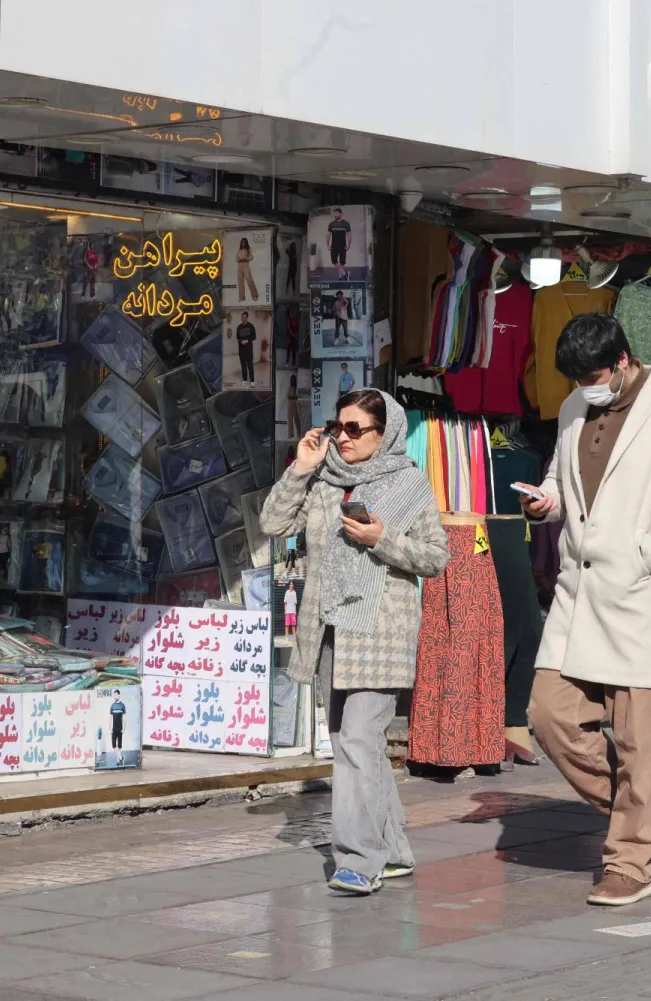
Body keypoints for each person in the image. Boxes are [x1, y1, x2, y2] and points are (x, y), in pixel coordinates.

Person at [515, 312, 651, 906]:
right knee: (548, 714)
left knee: (638, 742)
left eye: (593, 376)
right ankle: (634, 809)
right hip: (578, 595)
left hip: (638, 594)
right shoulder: (574, 407)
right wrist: (546, 501)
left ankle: (630, 862)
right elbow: (563, 480)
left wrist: (646, 554)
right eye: (577, 380)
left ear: (623, 360)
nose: (585, 388)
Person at [261, 388, 449, 895]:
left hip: (380, 632)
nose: (342, 438)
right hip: (329, 629)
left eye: (354, 429)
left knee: (359, 742)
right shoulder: (325, 481)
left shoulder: (409, 483)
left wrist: (381, 539)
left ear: (383, 433)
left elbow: (436, 557)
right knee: (354, 745)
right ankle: (394, 851)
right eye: (337, 427)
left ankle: (359, 861)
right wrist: (301, 468)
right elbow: (273, 524)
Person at [327, 207, 351, 278]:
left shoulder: (346, 224)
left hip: (342, 246)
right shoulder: (331, 224)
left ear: (341, 214)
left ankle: (341, 275)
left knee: (342, 262)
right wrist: (327, 244)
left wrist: (349, 245)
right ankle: (344, 273)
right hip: (334, 246)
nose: (335, 215)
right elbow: (328, 234)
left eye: (337, 214)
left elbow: (349, 235)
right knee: (334, 261)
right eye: (334, 214)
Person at [235, 311, 257, 383]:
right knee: (243, 366)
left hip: (249, 350)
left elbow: (254, 337)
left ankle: (252, 381)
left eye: (245, 317)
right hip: (241, 351)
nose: (243, 318)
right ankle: (244, 380)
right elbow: (238, 337)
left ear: (247, 318)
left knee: (250, 366)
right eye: (242, 317)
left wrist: (247, 340)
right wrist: (240, 341)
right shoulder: (239, 327)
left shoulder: (251, 326)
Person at [237, 237, 258, 302]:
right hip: (240, 265)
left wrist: (246, 258)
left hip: (246, 265)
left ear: (246, 243)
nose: (243, 243)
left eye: (244, 242)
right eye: (242, 242)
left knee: (249, 279)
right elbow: (236, 258)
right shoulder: (239, 250)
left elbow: (251, 257)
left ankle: (255, 295)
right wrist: (238, 259)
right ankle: (242, 297)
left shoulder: (248, 249)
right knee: (240, 281)